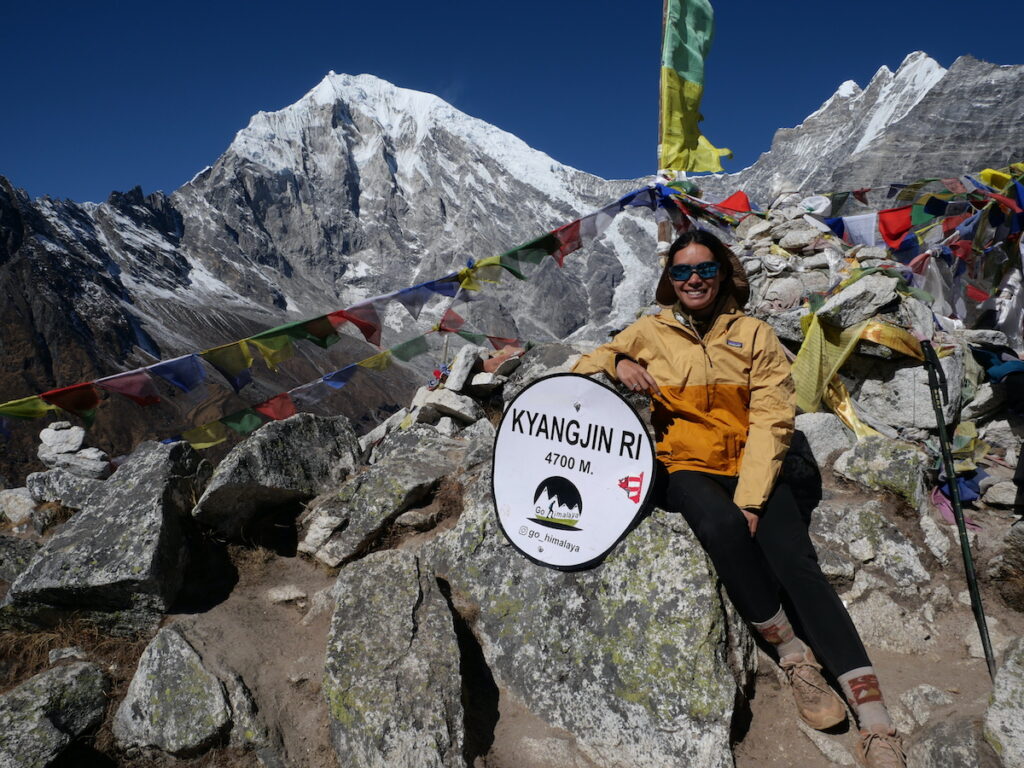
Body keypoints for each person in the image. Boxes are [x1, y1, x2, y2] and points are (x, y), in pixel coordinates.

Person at [572, 229, 906, 768]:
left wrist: (752, 499)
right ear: (669, 279)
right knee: (721, 528)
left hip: (750, 464)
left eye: (704, 269)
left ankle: (876, 720)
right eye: (681, 272)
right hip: (683, 465)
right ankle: (793, 655)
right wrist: (617, 363)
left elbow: (774, 418)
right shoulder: (648, 331)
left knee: (797, 564)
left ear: (723, 274)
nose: (694, 279)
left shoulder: (754, 335)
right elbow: (582, 368)